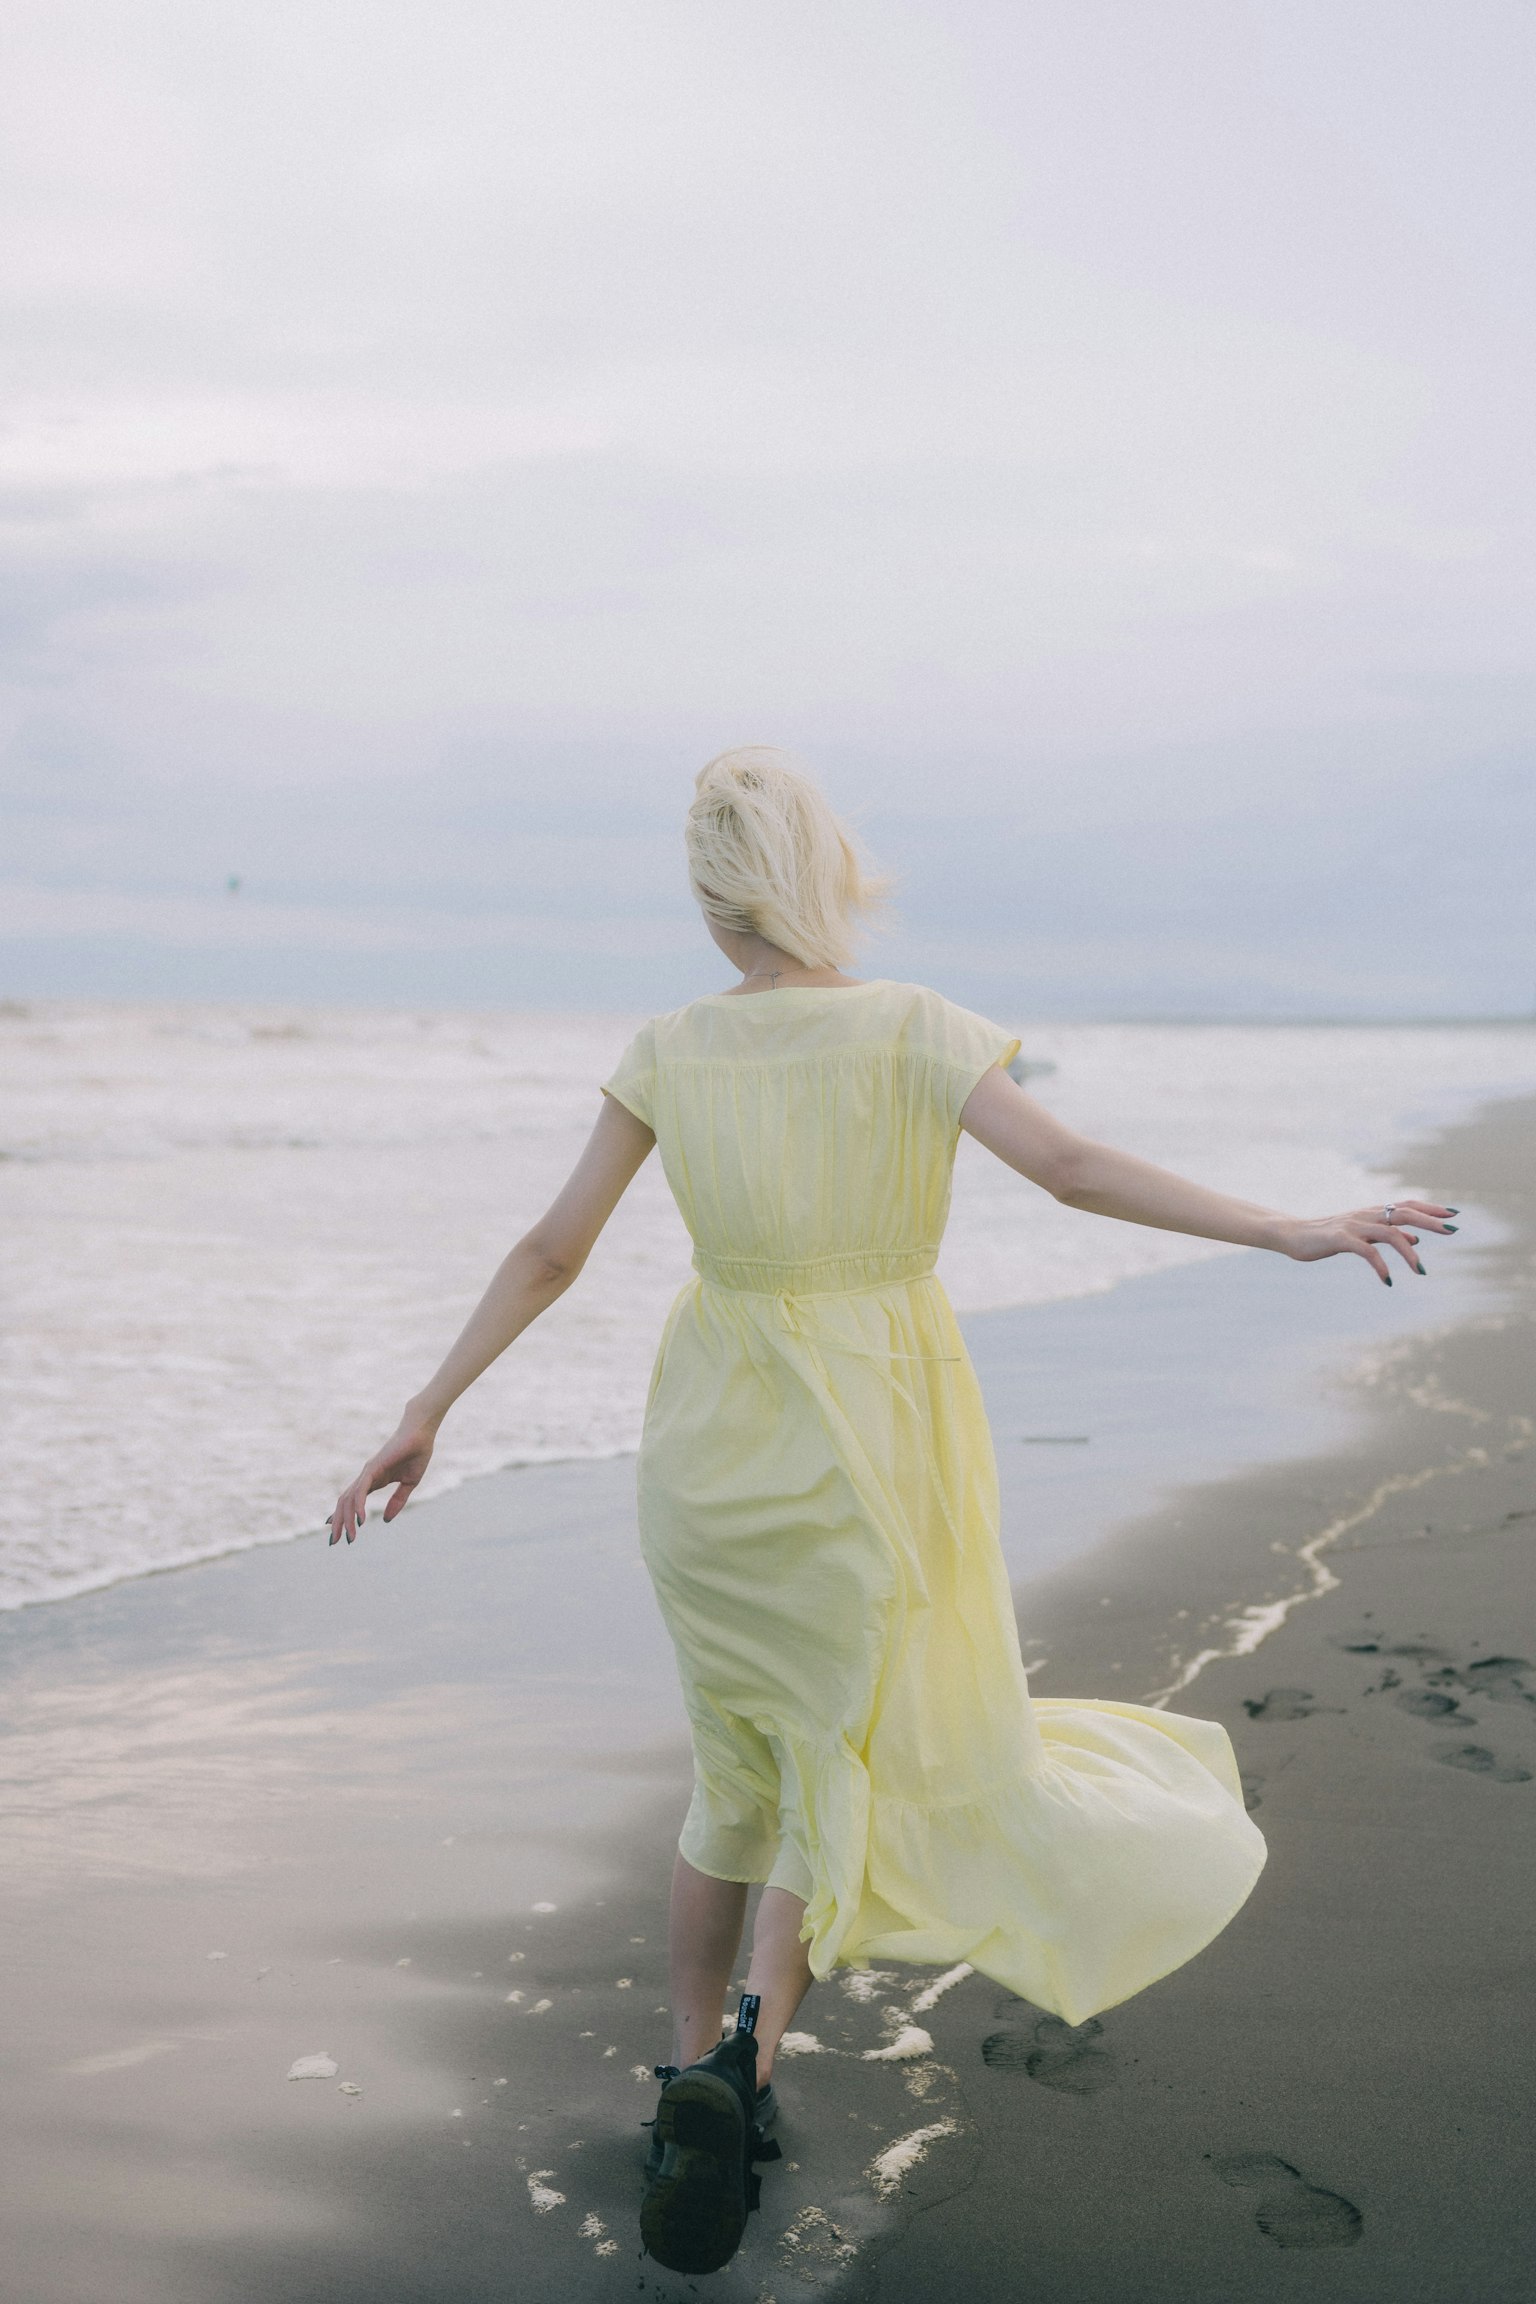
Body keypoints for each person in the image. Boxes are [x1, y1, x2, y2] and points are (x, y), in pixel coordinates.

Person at [327, 750, 1457, 2276]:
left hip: (715, 1440)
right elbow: (1066, 1169)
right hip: (875, 1426)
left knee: (734, 1757)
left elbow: (549, 1250)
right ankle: (750, 2063)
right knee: (837, 1759)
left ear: (710, 894)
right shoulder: (916, 1024)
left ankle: (687, 2072)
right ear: (826, 873)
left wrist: (425, 1412)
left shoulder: (667, 1047)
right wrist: (1284, 1229)